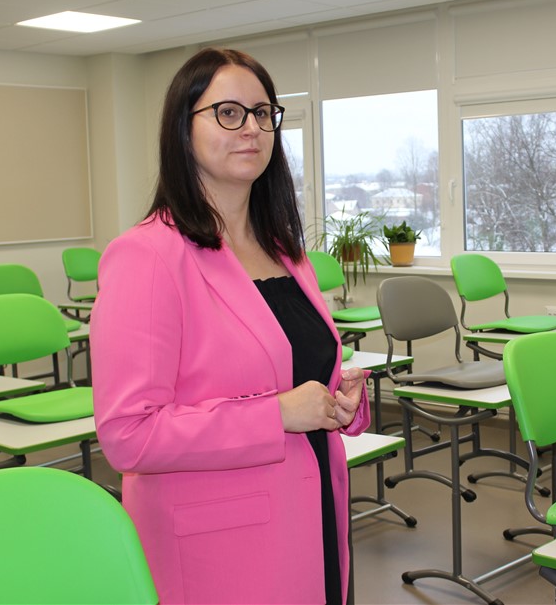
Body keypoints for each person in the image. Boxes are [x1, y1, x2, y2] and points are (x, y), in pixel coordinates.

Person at [91, 47, 370, 605]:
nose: (251, 129)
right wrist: (277, 414)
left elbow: (298, 374)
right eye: (228, 113)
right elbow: (128, 434)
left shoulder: (285, 251)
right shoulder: (147, 255)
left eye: (263, 113)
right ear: (183, 128)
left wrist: (340, 403)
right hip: (221, 547)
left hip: (312, 514)